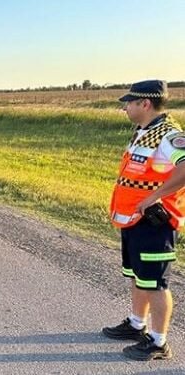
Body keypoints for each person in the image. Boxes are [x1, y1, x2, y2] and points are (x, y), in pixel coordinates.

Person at [102, 80, 185, 361]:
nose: (125, 107)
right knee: (139, 277)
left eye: (130, 102)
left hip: (154, 223)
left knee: (156, 283)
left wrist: (155, 197)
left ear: (145, 104)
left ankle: (159, 342)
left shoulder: (167, 134)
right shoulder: (143, 132)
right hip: (133, 220)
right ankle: (137, 324)